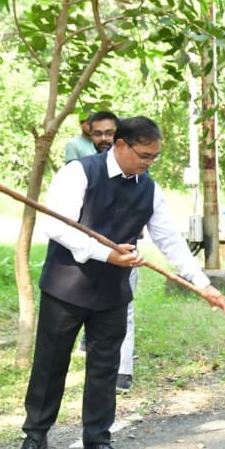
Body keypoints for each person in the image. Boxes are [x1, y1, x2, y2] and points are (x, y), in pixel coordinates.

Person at [14, 116, 225, 449]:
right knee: (50, 364)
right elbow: (57, 226)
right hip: (66, 288)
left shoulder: (149, 189)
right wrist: (108, 253)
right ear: (120, 145)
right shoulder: (78, 173)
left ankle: (97, 440)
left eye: (154, 157)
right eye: (144, 155)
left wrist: (202, 284)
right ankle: (35, 437)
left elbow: (170, 241)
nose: (149, 163)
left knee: (105, 367)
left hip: (113, 293)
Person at [85, 110, 138, 394]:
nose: (104, 138)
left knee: (124, 312)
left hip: (124, 257)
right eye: (98, 133)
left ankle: (123, 370)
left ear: (120, 139)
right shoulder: (82, 169)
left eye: (109, 133)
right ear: (89, 135)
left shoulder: (137, 171)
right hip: (85, 261)